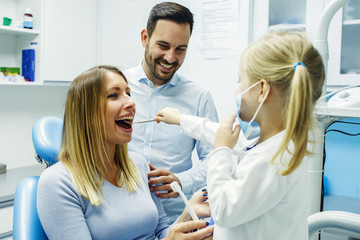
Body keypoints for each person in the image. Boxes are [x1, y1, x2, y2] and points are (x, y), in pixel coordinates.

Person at [154, 31, 325, 239]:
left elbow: (224, 210)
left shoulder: (273, 158)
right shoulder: (277, 144)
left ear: (262, 89)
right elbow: (225, 135)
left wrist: (221, 151)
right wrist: (182, 119)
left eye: (239, 81)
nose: (236, 89)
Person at [36, 65, 214, 240]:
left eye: (128, 93)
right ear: (86, 113)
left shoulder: (138, 165)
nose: (131, 102)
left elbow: (160, 233)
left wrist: (188, 213)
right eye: (114, 95)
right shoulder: (56, 183)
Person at [124, 2, 218, 223]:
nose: (170, 57)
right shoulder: (116, 87)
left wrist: (181, 181)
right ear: (144, 37)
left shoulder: (199, 96)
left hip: (177, 217)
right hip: (121, 216)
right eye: (163, 45)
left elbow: (215, 158)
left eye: (180, 49)